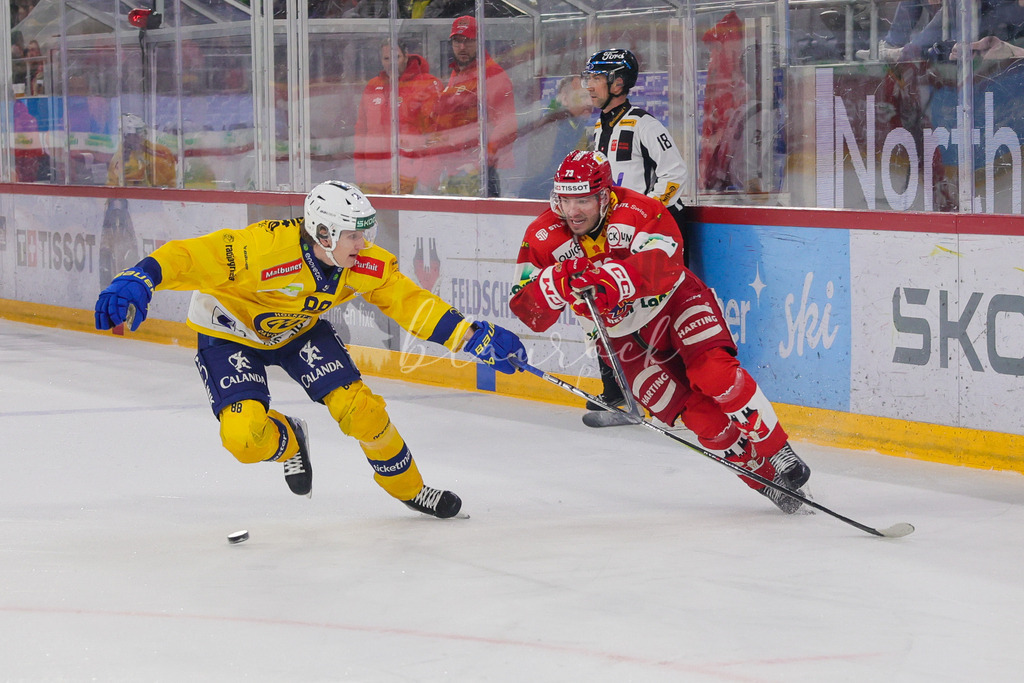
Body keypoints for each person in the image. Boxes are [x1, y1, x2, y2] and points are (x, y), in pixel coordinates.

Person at [94, 181, 526, 519]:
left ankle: (411, 489)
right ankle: (289, 442)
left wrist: (470, 336)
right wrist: (140, 277)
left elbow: (409, 302)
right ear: (322, 232)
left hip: (298, 331)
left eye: (367, 233)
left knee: (363, 412)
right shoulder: (258, 249)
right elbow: (188, 256)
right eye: (355, 236)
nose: (365, 244)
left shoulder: (362, 262)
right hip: (230, 332)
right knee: (244, 439)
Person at [508, 151, 810, 513]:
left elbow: (667, 263)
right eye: (566, 199)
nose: (573, 211)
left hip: (674, 304)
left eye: (583, 199)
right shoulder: (543, 235)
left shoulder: (638, 210)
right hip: (620, 340)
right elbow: (528, 309)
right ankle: (765, 481)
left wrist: (609, 280)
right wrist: (556, 283)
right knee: (699, 417)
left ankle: (779, 452)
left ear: (604, 195)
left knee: (715, 374)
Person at [580, 48, 689, 412]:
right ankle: (615, 393)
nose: (590, 85)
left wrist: (645, 214)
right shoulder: (597, 129)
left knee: (649, 316)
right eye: (589, 78)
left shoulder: (644, 124)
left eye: (597, 78)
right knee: (601, 309)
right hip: (606, 236)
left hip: (640, 239)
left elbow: (675, 173)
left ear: (619, 83)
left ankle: (673, 394)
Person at [432, 15, 517, 196]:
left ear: (479, 41)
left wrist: (479, 164)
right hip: (456, 170)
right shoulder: (458, 73)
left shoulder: (491, 74)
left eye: (468, 41)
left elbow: (507, 126)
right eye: (457, 41)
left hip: (480, 173)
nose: (462, 47)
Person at [354, 39, 442, 195]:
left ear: (406, 57)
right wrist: (361, 173)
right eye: (386, 58)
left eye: (396, 57)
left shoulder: (426, 84)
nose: (391, 63)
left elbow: (435, 135)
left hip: (409, 176)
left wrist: (427, 178)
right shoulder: (373, 86)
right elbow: (361, 132)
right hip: (373, 177)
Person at [518, 75, 594, 200]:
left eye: (591, 97)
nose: (590, 103)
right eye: (583, 97)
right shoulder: (552, 128)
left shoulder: (576, 126)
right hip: (544, 202)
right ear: (564, 98)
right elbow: (544, 177)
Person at [106, 113, 177, 187]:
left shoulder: (161, 151)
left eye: (141, 133)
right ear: (125, 136)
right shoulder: (119, 158)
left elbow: (172, 180)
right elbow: (112, 184)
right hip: (131, 196)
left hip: (160, 195)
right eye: (133, 135)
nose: (139, 137)